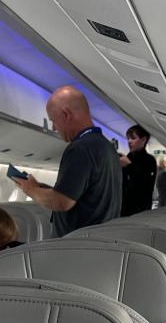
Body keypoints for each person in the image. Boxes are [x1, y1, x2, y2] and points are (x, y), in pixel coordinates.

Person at [12, 85, 121, 237]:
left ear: (66, 114)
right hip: (99, 241)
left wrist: (30, 189)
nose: (54, 127)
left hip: (77, 247)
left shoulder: (81, 148)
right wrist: (39, 187)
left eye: (53, 120)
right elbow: (82, 194)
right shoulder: (105, 146)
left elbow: (62, 202)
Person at [119, 124, 157, 217]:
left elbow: (145, 183)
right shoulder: (128, 157)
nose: (129, 141)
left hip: (140, 211)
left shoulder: (149, 160)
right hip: (123, 209)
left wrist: (129, 166)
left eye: (133, 138)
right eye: (128, 138)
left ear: (143, 139)